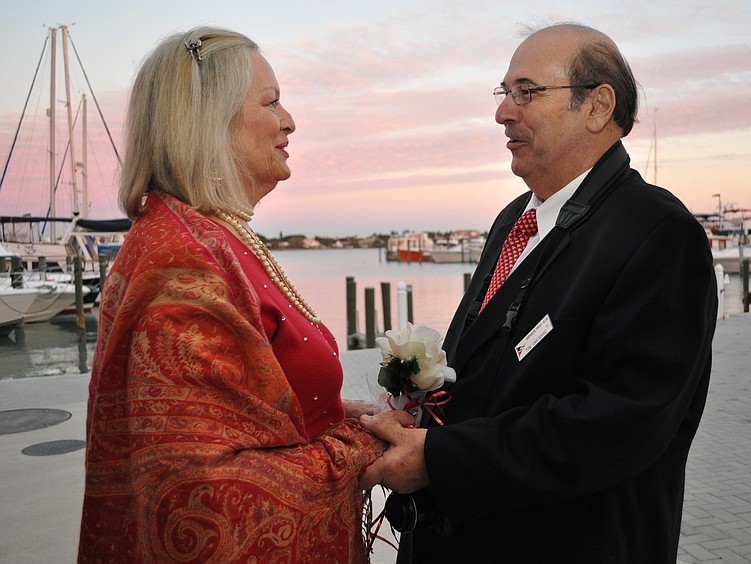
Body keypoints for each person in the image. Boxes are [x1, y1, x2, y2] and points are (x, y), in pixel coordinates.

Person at [359, 22, 718, 563]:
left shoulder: (658, 234)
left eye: (525, 92)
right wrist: (415, 421)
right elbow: (485, 373)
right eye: (504, 93)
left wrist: (440, 460)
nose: (503, 112)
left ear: (598, 106)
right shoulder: (514, 220)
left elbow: (617, 426)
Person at [78, 27, 406, 563]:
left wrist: (339, 414)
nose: (290, 120)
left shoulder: (212, 237)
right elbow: (207, 491)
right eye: (271, 101)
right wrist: (364, 447)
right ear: (210, 120)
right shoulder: (183, 261)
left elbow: (240, 404)